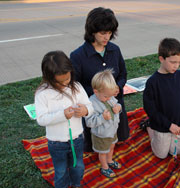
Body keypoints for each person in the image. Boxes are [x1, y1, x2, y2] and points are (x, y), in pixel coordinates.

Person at [70, 7, 129, 152]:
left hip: (114, 104)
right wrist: (98, 94)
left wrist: (118, 87)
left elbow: (122, 74)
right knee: (93, 145)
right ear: (92, 31)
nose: (107, 37)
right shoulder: (78, 56)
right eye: (103, 33)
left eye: (110, 33)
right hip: (93, 109)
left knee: (118, 137)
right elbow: (75, 86)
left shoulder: (115, 50)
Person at [35, 51, 94, 188]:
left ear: (71, 73)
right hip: (56, 143)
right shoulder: (43, 94)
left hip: (77, 138)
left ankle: (76, 184)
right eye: (58, 82)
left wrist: (85, 110)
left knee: (78, 166)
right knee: (61, 170)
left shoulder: (77, 87)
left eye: (67, 79)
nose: (64, 84)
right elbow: (41, 119)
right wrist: (62, 115)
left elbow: (89, 106)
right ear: (48, 77)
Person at [143, 38, 180, 159]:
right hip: (162, 125)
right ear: (161, 59)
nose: (176, 66)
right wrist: (168, 125)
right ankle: (149, 128)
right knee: (161, 155)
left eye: (179, 62)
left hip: (179, 125)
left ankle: (168, 136)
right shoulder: (153, 82)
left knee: (177, 152)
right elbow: (150, 109)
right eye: (172, 62)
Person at [85, 69, 122, 178]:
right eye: (106, 96)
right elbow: (89, 122)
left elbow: (117, 104)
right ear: (96, 91)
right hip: (101, 135)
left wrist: (118, 108)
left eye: (110, 96)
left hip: (112, 131)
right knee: (103, 152)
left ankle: (109, 160)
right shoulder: (91, 103)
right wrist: (102, 118)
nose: (109, 99)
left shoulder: (108, 97)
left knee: (111, 147)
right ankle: (104, 167)